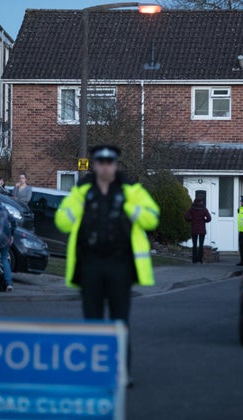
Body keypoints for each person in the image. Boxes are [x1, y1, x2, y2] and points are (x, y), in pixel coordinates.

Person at [55, 144, 159, 386]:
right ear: (94, 165)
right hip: (90, 264)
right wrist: (75, 210)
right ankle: (95, 371)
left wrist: (131, 209)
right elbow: (62, 221)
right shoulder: (82, 190)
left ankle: (122, 372)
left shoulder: (130, 189)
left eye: (109, 162)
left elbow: (152, 217)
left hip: (120, 264)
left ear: (115, 164)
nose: (105, 166)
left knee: (119, 320)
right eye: (100, 162)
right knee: (92, 320)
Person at [184, 197, 212, 263]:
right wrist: (204, 220)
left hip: (194, 229)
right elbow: (209, 218)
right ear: (201, 202)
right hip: (202, 229)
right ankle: (200, 259)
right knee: (201, 244)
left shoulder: (192, 209)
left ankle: (194, 260)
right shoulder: (204, 209)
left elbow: (186, 217)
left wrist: (191, 220)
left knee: (194, 245)